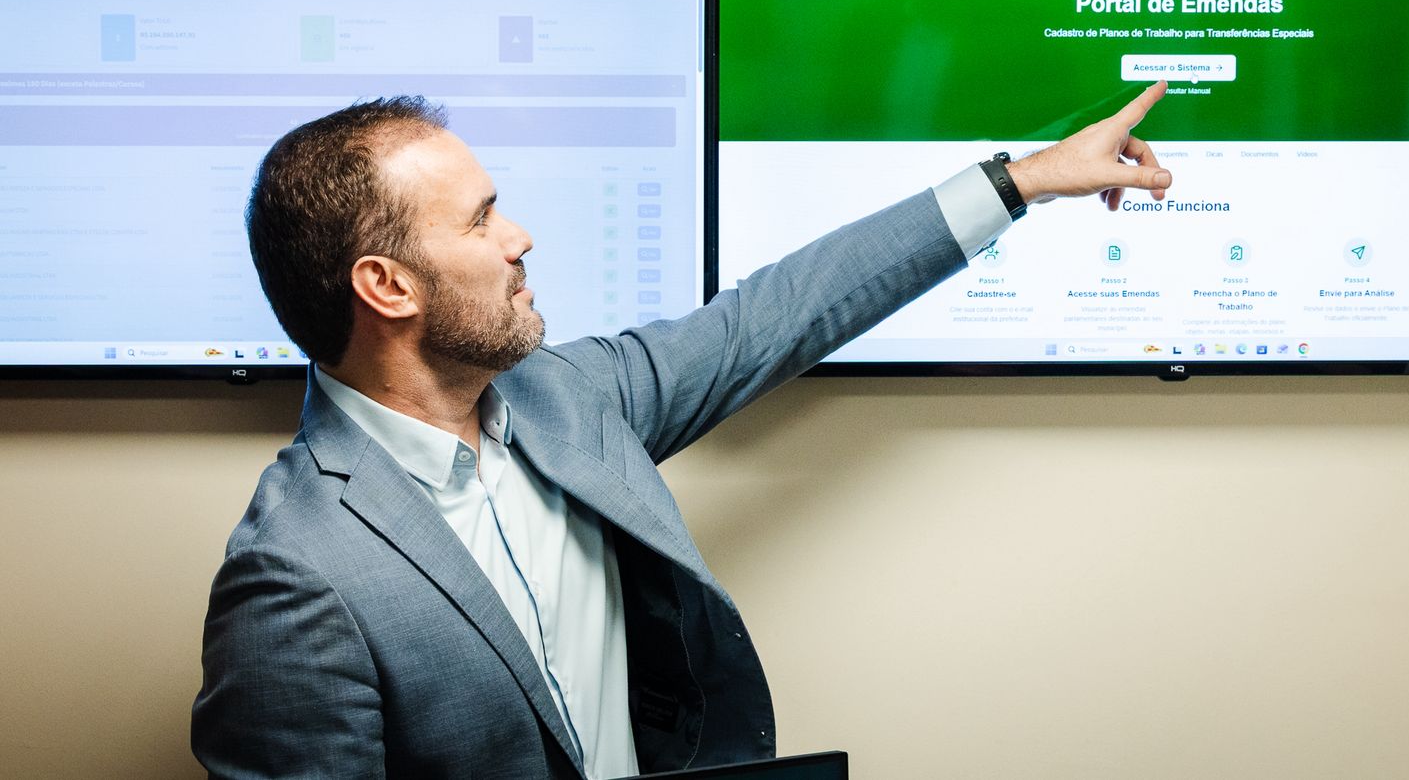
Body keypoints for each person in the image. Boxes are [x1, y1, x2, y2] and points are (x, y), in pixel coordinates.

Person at [192, 81, 1171, 780]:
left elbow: (776, 314)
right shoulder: (294, 576)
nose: (519, 238)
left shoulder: (568, 397)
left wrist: (1020, 180)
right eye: (481, 221)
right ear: (387, 285)